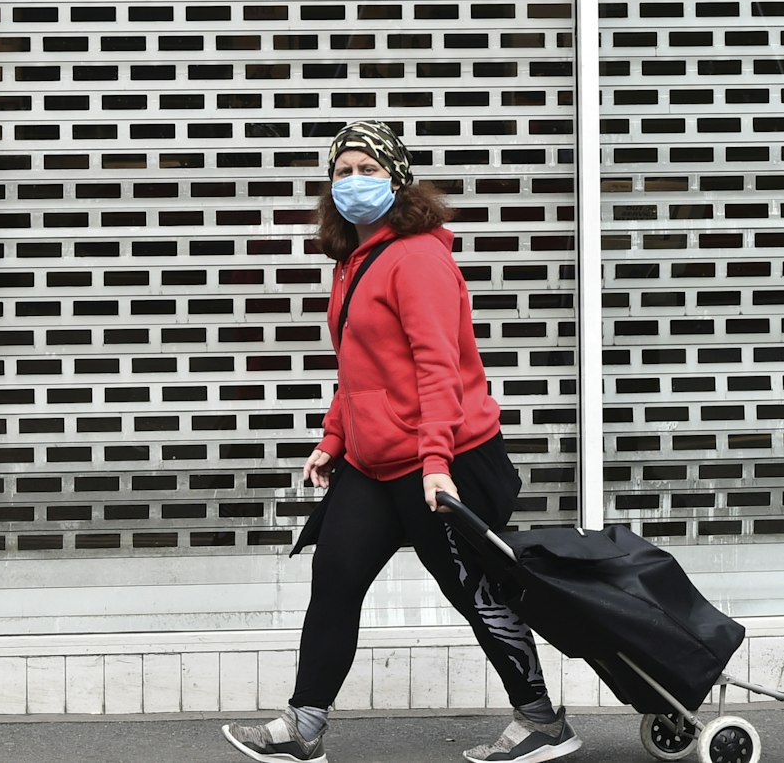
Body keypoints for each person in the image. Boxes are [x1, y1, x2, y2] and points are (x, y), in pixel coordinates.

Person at [222, 120, 581, 763]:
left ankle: (541, 720)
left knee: (473, 592)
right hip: (375, 464)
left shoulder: (417, 259)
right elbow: (361, 367)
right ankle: (305, 724)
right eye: (343, 172)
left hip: (441, 461)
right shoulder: (354, 262)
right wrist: (334, 438)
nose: (354, 182)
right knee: (335, 577)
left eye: (369, 169)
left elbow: (437, 369)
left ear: (398, 179)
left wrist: (436, 461)